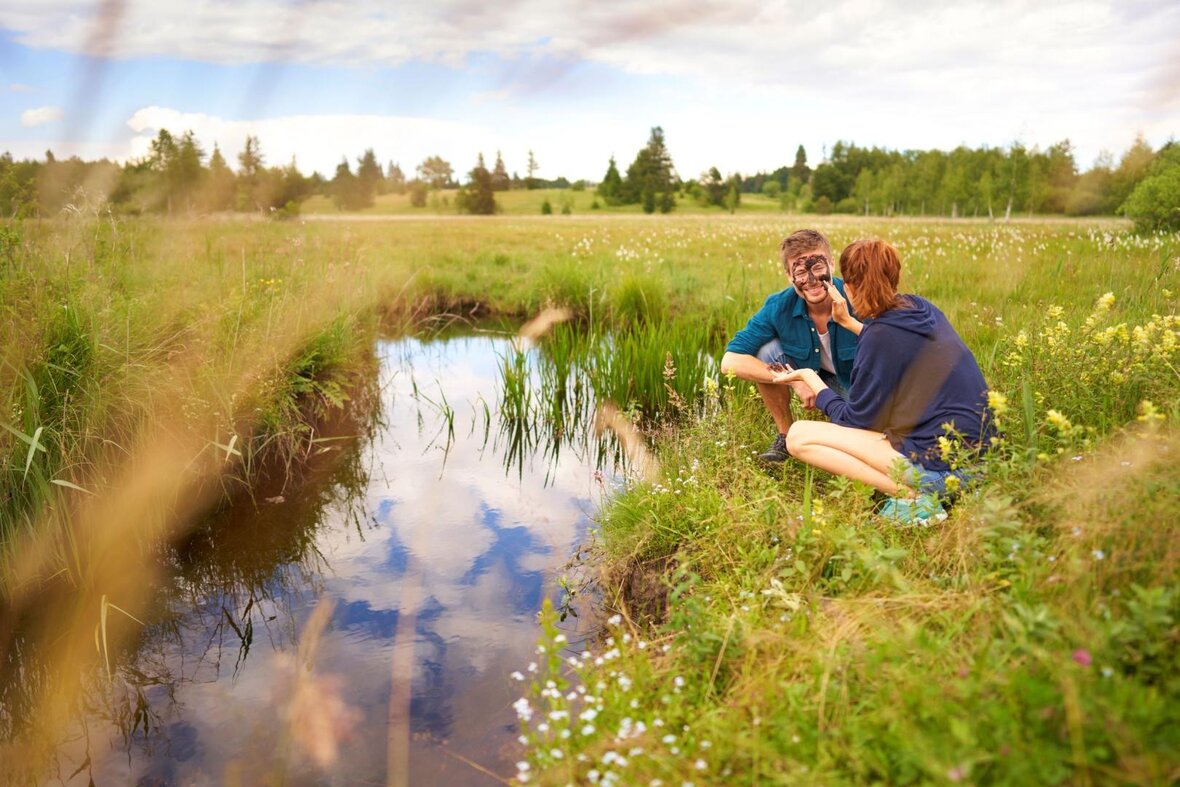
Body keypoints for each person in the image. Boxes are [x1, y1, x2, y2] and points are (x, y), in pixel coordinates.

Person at [773, 238, 994, 522]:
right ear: (894, 276)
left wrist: (809, 377)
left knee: (798, 437)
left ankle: (914, 497)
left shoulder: (878, 338)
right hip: (984, 461)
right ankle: (945, 491)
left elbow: (854, 421)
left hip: (944, 473)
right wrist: (847, 322)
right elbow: (891, 340)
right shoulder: (921, 308)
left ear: (847, 289)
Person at [720, 229, 860, 463]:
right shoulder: (779, 305)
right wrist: (796, 380)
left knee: (859, 432)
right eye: (800, 272)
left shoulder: (857, 296)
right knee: (764, 352)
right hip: (811, 372)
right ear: (788, 275)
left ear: (831, 264)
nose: (811, 281)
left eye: (817, 267)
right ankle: (785, 437)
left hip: (856, 384)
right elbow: (730, 361)